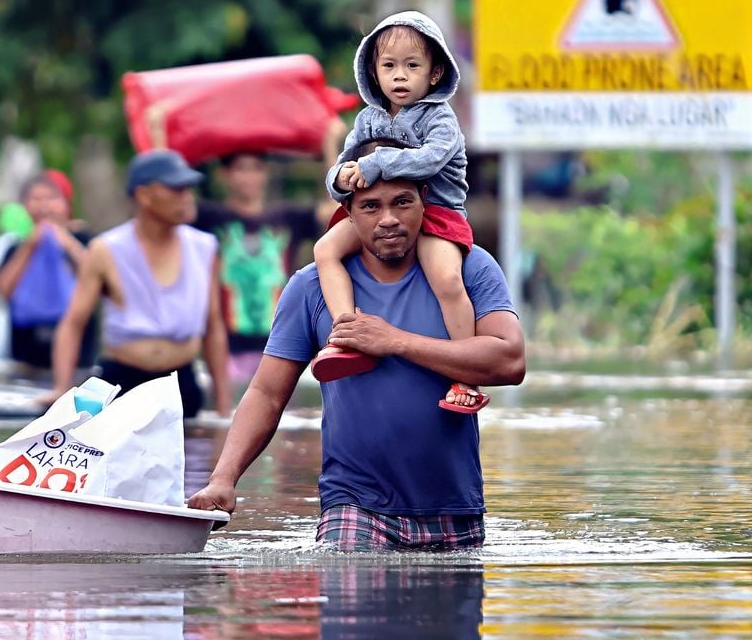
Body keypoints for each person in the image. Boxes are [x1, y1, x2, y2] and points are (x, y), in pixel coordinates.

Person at [188, 176, 526, 551]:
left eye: (402, 202)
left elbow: (509, 360)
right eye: (370, 206)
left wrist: (394, 341)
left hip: (454, 506)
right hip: (353, 505)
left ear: (425, 200)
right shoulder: (311, 287)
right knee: (351, 595)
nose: (388, 219)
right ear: (346, 212)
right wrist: (223, 477)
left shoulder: (467, 266)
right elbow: (267, 393)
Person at [311, 11, 481, 413]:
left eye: (412, 66)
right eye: (389, 66)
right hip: (381, 214)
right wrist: (340, 180)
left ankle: (466, 376)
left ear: (435, 73)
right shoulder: (368, 118)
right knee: (325, 251)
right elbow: (343, 163)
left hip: (436, 211)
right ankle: (345, 334)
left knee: (447, 278)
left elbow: (431, 159)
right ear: (374, 71)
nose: (400, 76)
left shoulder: (440, 117)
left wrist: (373, 166)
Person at [43, 149, 233, 418]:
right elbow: (74, 322)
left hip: (180, 383)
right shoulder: (106, 249)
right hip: (121, 382)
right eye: (176, 189)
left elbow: (213, 327)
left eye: (189, 189)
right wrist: (60, 388)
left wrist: (223, 406)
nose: (187, 198)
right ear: (144, 195)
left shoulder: (204, 248)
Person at [193, 122, 344, 385]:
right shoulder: (210, 218)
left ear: (266, 173)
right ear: (224, 175)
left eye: (256, 169)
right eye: (241, 169)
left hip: (281, 346)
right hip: (226, 349)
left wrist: (329, 145)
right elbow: (166, 194)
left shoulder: (287, 217)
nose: (249, 177)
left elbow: (336, 211)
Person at [0, 170, 98, 371]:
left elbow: (96, 277)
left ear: (66, 205)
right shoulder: (15, 245)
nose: (44, 206)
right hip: (25, 353)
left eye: (51, 198)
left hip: (78, 355)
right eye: (36, 199)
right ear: (24, 207)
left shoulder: (83, 240)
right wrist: (30, 246)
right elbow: (3, 290)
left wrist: (66, 242)